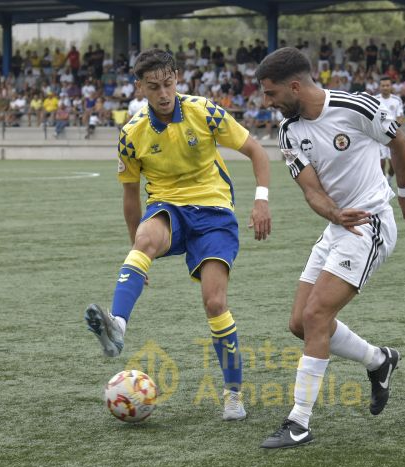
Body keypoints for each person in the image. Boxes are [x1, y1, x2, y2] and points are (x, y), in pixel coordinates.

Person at [84, 49, 272, 421]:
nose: (164, 93)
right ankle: (117, 326)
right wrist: (136, 251)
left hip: (215, 213)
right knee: (145, 241)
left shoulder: (204, 111)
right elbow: (130, 196)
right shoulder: (131, 133)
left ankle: (233, 393)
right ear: (140, 88)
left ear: (177, 80)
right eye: (153, 87)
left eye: (168, 84)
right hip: (168, 208)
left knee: (215, 304)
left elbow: (255, 150)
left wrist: (261, 200)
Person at [253, 47, 405, 449]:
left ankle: (298, 422)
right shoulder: (289, 131)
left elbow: (398, 141)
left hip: (370, 224)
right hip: (338, 226)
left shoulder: (356, 107)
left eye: (271, 93)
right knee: (300, 323)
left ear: (295, 86)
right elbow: (311, 191)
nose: (267, 102)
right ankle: (379, 360)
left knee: (316, 314)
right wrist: (334, 214)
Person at [374, 77, 404, 183]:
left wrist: (392, 129)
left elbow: (400, 118)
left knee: (393, 165)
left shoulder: (396, 100)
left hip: (392, 136)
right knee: (381, 163)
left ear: (391, 86)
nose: (385, 88)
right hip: (379, 136)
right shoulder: (375, 100)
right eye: (383, 85)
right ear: (380, 87)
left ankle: (389, 179)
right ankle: (383, 184)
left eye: (387, 85)